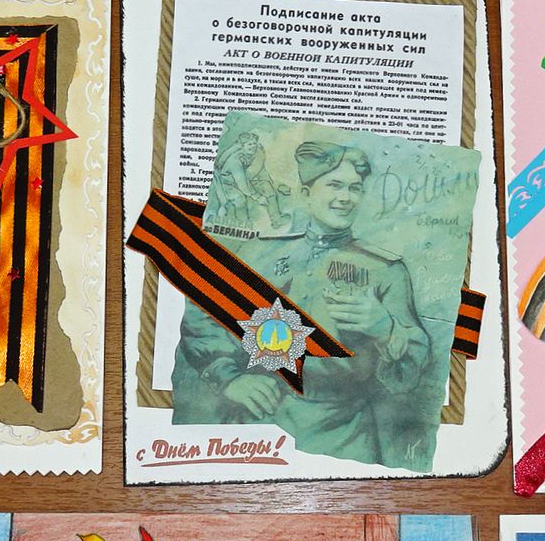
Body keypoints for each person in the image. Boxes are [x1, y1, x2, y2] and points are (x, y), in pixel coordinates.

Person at [173, 142, 436, 468]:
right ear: (306, 193)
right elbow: (203, 306)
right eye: (334, 185)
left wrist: (386, 330)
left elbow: (412, 371)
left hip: (341, 436)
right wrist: (228, 377)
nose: (345, 197)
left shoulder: (385, 270)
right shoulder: (260, 254)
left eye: (354, 188)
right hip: (257, 422)